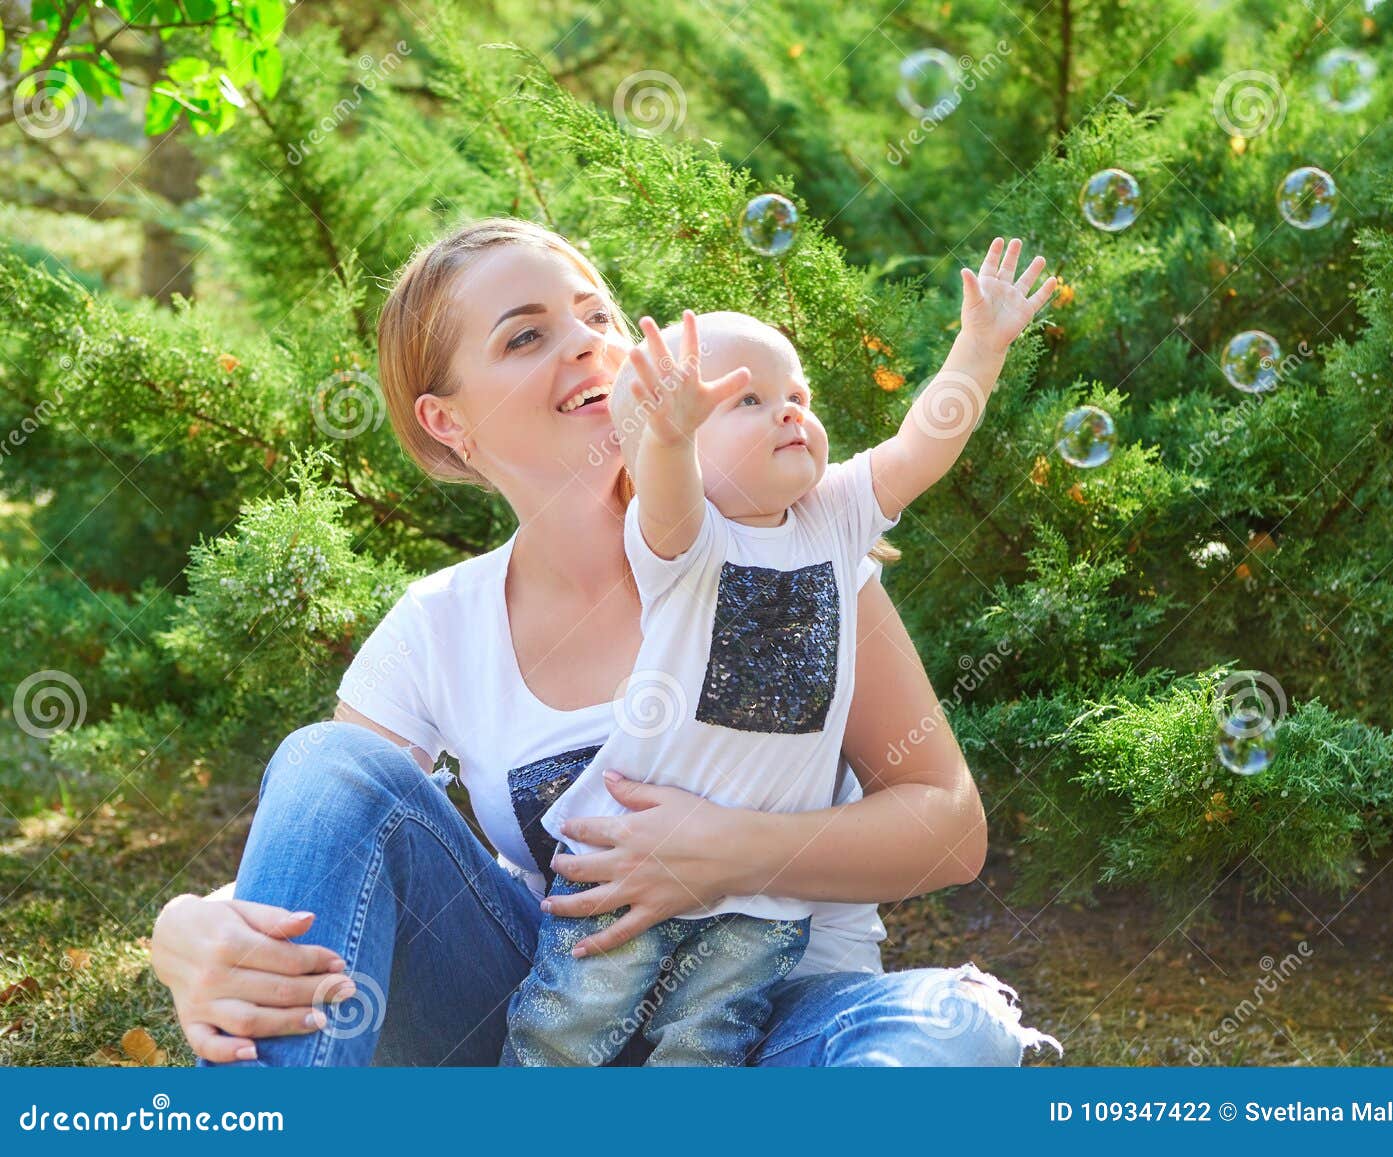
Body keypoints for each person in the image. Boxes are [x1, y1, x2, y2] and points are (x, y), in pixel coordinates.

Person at [149, 218, 1062, 1067]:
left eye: (598, 314)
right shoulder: (437, 627)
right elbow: (334, 851)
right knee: (328, 760)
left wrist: (736, 852)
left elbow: (947, 824)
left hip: (781, 1027)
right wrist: (184, 926)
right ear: (448, 423)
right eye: (525, 335)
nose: (586, 340)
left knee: (955, 1026)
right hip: (544, 1025)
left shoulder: (793, 558)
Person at [511, 244, 1056, 1067]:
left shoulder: (834, 519)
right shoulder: (686, 542)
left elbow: (920, 446)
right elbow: (662, 483)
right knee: (564, 1030)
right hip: (630, 862)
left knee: (707, 1045)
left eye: (797, 395)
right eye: (750, 400)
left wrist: (979, 350)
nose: (790, 413)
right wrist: (667, 434)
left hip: (759, 898)